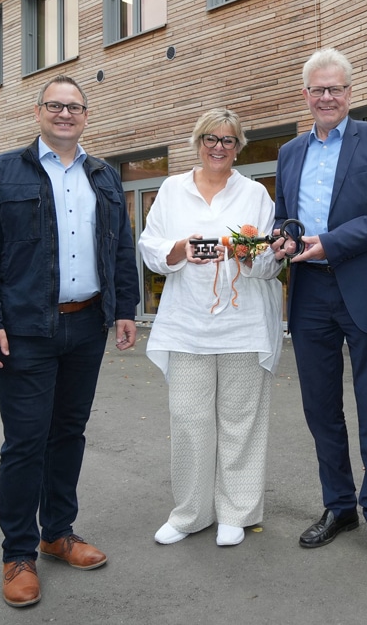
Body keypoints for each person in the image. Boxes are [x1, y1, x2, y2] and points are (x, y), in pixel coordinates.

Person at [0, 74, 140, 608]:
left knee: (68, 432)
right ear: (38, 112)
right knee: (25, 441)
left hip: (86, 325)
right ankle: (18, 553)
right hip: (24, 330)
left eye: (75, 107)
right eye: (55, 106)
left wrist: (125, 310)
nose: (65, 114)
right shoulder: (2, 172)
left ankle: (57, 532)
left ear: (86, 115)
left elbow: (119, 249)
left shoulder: (103, 176)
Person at [275, 48, 367, 570]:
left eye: (335, 88)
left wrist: (332, 242)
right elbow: (284, 217)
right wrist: (282, 240)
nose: (327, 97)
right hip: (310, 294)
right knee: (321, 411)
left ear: (350, 93)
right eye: (317, 89)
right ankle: (339, 508)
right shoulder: (290, 152)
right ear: (307, 95)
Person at [138, 108, 291, 548]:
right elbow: (150, 248)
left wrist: (248, 253)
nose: (218, 147)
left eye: (227, 140)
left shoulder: (256, 194)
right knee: (189, 421)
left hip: (243, 327)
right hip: (187, 326)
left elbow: (269, 262)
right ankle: (190, 513)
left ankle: (235, 512)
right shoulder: (172, 189)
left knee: (241, 421)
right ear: (197, 141)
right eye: (210, 138)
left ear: (238, 146)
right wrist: (181, 248)